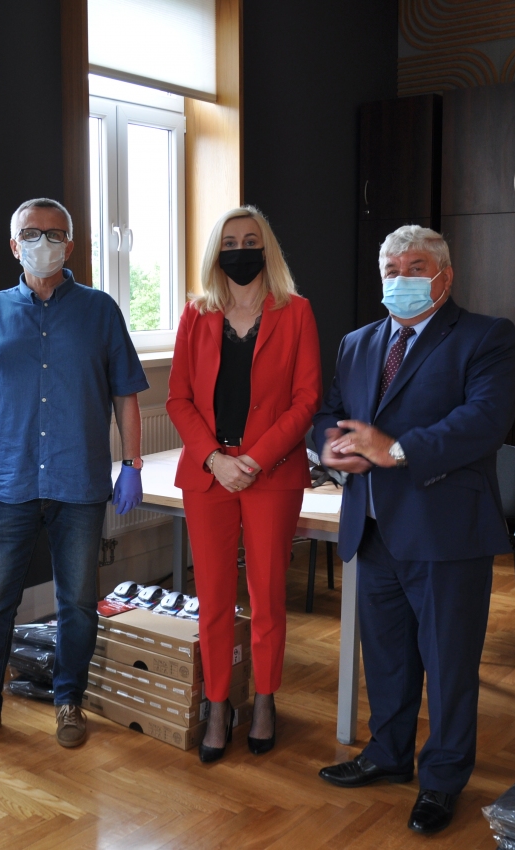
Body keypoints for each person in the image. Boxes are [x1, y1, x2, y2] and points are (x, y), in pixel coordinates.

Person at [313, 225, 515, 834]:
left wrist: (395, 449)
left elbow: (485, 420)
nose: (401, 278)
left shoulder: (485, 336)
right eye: (391, 269)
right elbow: (329, 412)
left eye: (416, 267)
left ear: (444, 276)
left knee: (449, 665)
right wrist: (329, 447)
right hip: (374, 527)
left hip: (445, 531)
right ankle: (388, 754)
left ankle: (443, 779)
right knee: (387, 657)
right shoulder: (357, 343)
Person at [0, 198, 147, 753]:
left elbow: (126, 394)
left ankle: (68, 699)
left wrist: (132, 464)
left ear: (70, 246)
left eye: (55, 234)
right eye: (32, 233)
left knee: (77, 602)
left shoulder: (100, 311)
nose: (44, 242)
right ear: (14, 245)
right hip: (10, 482)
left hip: (79, 482)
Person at [166, 206, 322, 763]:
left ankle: (264, 700)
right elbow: (178, 399)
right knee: (211, 598)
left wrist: (253, 460)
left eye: (250, 240)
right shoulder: (196, 313)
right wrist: (215, 459)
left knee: (267, 596)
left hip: (270, 474)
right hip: (208, 475)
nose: (240, 250)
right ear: (217, 252)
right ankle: (216, 705)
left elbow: (306, 399)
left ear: (266, 248)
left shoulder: (296, 312)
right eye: (229, 242)